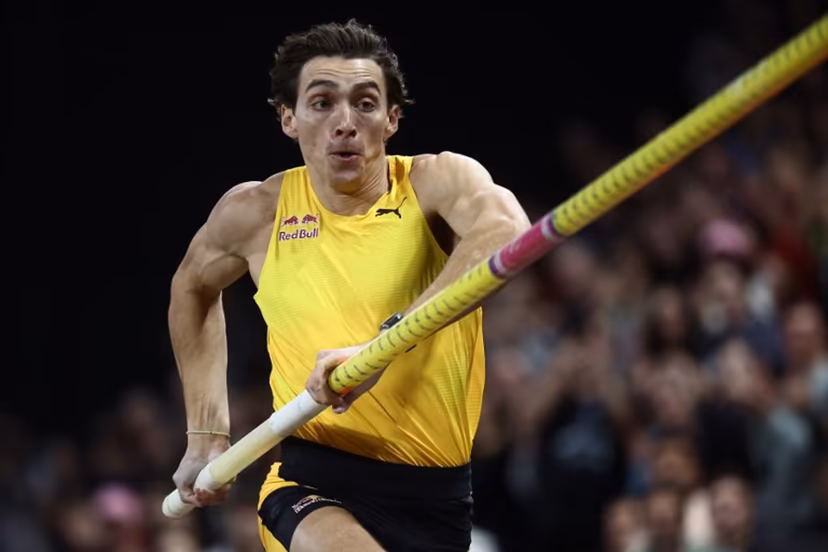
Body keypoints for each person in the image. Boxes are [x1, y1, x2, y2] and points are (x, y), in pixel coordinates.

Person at [167, 19, 531, 552]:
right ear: (288, 117)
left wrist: (389, 342)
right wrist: (205, 433)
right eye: (322, 103)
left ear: (392, 119)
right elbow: (191, 291)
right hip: (311, 478)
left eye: (365, 103)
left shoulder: (436, 184)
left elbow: (507, 235)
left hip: (440, 495)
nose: (345, 122)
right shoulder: (256, 214)